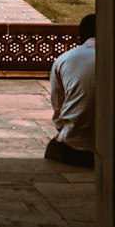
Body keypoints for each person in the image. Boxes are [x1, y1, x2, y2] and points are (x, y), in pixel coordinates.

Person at [44, 12, 96, 167]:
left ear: (81, 36)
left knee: (53, 148)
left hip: (77, 146)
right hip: (114, 148)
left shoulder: (65, 59)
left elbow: (58, 109)